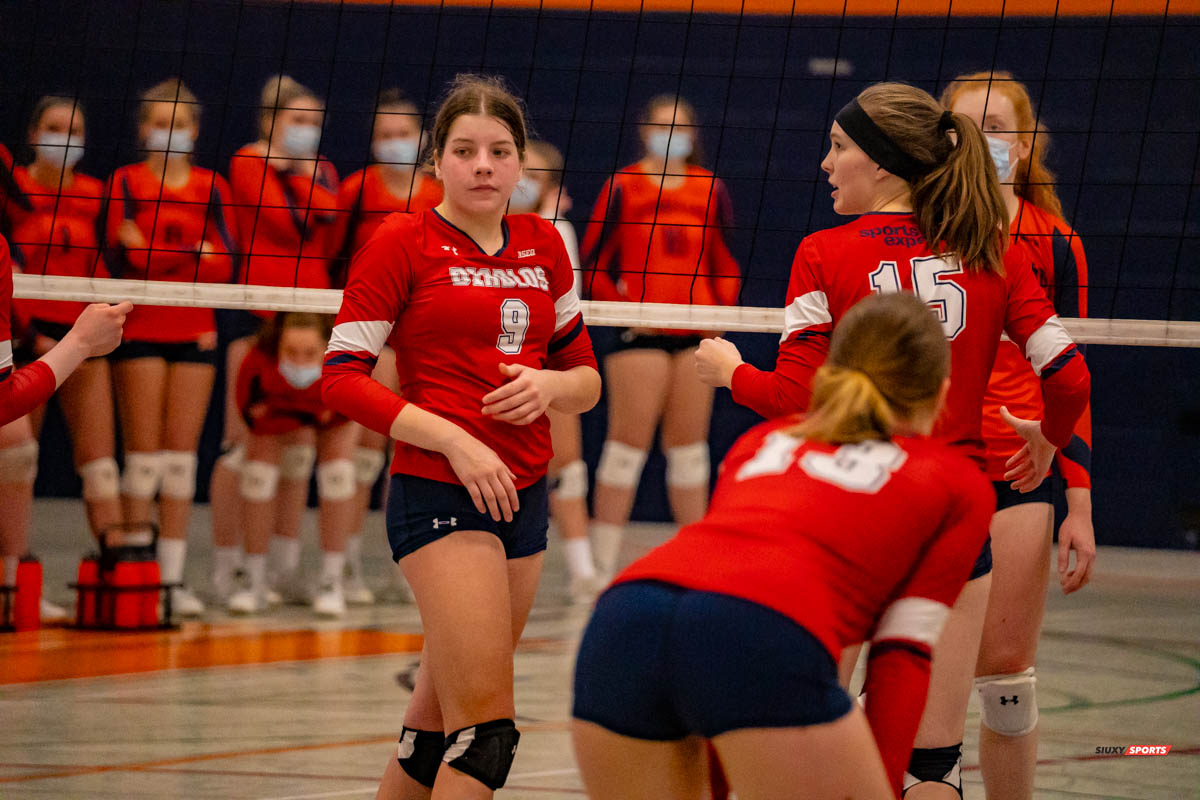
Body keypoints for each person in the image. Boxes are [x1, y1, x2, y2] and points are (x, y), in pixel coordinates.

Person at [694, 82, 1091, 799]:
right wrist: (1049, 441)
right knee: (931, 764)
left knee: (812, 738)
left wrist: (729, 373)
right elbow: (1069, 376)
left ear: (881, 165)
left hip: (856, 513)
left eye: (839, 147)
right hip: (954, 514)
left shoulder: (824, 252)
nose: (825, 163)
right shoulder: (997, 249)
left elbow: (793, 401)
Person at [573, 292, 994, 799]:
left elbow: (714, 650)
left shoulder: (765, 440)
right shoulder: (956, 482)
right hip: (758, 631)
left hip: (623, 620)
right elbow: (901, 655)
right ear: (942, 391)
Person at [322, 74, 600, 798]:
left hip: (525, 493)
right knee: (486, 739)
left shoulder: (545, 244)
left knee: (431, 738)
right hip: (439, 490)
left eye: (500, 151)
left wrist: (549, 386)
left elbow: (587, 379)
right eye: (466, 150)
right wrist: (453, 438)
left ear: (520, 164)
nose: (484, 165)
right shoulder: (400, 242)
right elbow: (342, 378)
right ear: (437, 161)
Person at [943, 70, 1095, 800]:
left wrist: (1082, 502)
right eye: (965, 125)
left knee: (1005, 677)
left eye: (997, 126)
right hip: (931, 468)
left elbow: (1073, 377)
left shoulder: (1055, 244)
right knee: (915, 668)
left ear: (1027, 145)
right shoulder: (913, 230)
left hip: (1018, 468)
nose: (981, 140)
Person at [580, 94, 741, 578]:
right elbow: (591, 262)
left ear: (694, 136)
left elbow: (726, 259)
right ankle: (601, 568)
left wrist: (720, 311)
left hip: (694, 332)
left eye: (682, 127)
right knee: (626, 448)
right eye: (662, 126)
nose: (672, 135)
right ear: (643, 129)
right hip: (641, 331)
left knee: (690, 452)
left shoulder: (710, 188)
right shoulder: (623, 185)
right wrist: (627, 309)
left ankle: (699, 562)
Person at [104, 78, 237, 617]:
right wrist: (188, 251)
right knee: (142, 461)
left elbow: (225, 263)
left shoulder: (211, 186)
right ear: (142, 128)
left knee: (180, 463)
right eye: (161, 122)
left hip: (195, 328)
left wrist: (153, 246)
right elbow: (121, 258)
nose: (170, 132)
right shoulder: (125, 182)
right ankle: (139, 574)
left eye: (180, 123)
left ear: (195, 130)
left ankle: (174, 580)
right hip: (138, 327)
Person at [210, 74, 344, 604]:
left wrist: (302, 178)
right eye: (297, 121)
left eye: (315, 123)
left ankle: (281, 570)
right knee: (243, 444)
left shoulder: (323, 169)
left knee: (298, 450)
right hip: (259, 310)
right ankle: (233, 569)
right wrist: (302, 183)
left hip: (310, 314)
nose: (308, 132)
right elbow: (286, 221)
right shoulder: (248, 161)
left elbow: (328, 222)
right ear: (270, 123)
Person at [334, 89, 443, 604]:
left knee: (419, 451)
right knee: (361, 458)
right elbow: (333, 256)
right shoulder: (358, 189)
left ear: (422, 140)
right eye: (385, 134)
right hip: (374, 337)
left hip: (423, 342)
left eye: (404, 133)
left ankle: (414, 565)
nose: (395, 142)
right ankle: (346, 563)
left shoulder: (439, 193)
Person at [7, 96, 124, 539]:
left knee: (100, 466)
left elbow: (107, 266)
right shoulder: (13, 188)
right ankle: (13, 574)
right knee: (17, 459)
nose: (65, 139)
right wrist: (32, 337)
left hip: (83, 333)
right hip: (23, 336)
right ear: (34, 135)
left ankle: (117, 570)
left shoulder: (97, 193)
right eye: (55, 129)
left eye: (74, 131)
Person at [0, 232, 130, 615]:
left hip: (58, 324)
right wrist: (80, 343)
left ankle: (15, 587)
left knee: (36, 456)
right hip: (32, 332)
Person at [509, 139, 601, 602]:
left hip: (544, 359)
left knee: (566, 464)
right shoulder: (476, 225)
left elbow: (568, 306)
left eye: (536, 177)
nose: (523, 183)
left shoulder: (555, 230)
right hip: (493, 362)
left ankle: (583, 568)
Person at [226, 312, 357, 617]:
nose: (299, 362)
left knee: (338, 474)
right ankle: (254, 580)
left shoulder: (346, 366)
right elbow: (254, 417)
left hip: (330, 407)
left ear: (327, 347)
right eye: (291, 352)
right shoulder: (258, 365)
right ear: (277, 347)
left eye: (310, 353)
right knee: (257, 473)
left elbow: (343, 417)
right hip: (279, 411)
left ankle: (331, 580)